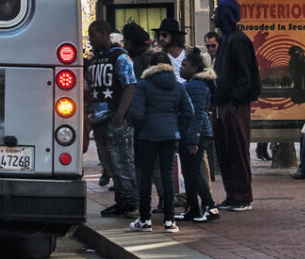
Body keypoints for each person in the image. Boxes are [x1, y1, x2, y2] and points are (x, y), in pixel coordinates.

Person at [126, 48, 195, 232]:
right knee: (167, 176)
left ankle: (145, 219)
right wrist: (176, 126)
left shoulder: (144, 85)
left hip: (148, 136)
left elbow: (136, 112)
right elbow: (189, 112)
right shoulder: (178, 86)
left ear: (151, 66)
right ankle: (169, 221)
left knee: (146, 176)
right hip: (170, 135)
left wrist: (141, 128)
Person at [211, 0, 261, 211]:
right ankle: (232, 194)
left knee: (237, 149)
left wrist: (234, 101)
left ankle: (242, 196)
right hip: (225, 104)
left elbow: (244, 75)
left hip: (233, 105)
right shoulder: (227, 39)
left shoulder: (237, 40)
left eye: (217, 12)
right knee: (225, 151)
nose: (214, 16)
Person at [83, 20, 138, 215]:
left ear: (105, 33)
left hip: (116, 118)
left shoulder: (120, 57)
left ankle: (129, 201)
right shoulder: (94, 60)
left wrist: (120, 115)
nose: (90, 39)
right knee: (109, 162)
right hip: (98, 119)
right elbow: (88, 89)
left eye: (93, 34)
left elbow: (130, 85)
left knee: (122, 160)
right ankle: (121, 199)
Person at [179, 46, 220, 221]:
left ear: (195, 68)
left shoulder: (197, 86)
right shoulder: (191, 84)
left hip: (195, 134)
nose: (181, 68)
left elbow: (198, 113)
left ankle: (210, 206)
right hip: (188, 133)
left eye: (185, 65)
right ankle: (193, 208)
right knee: (188, 172)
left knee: (194, 171)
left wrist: (193, 137)